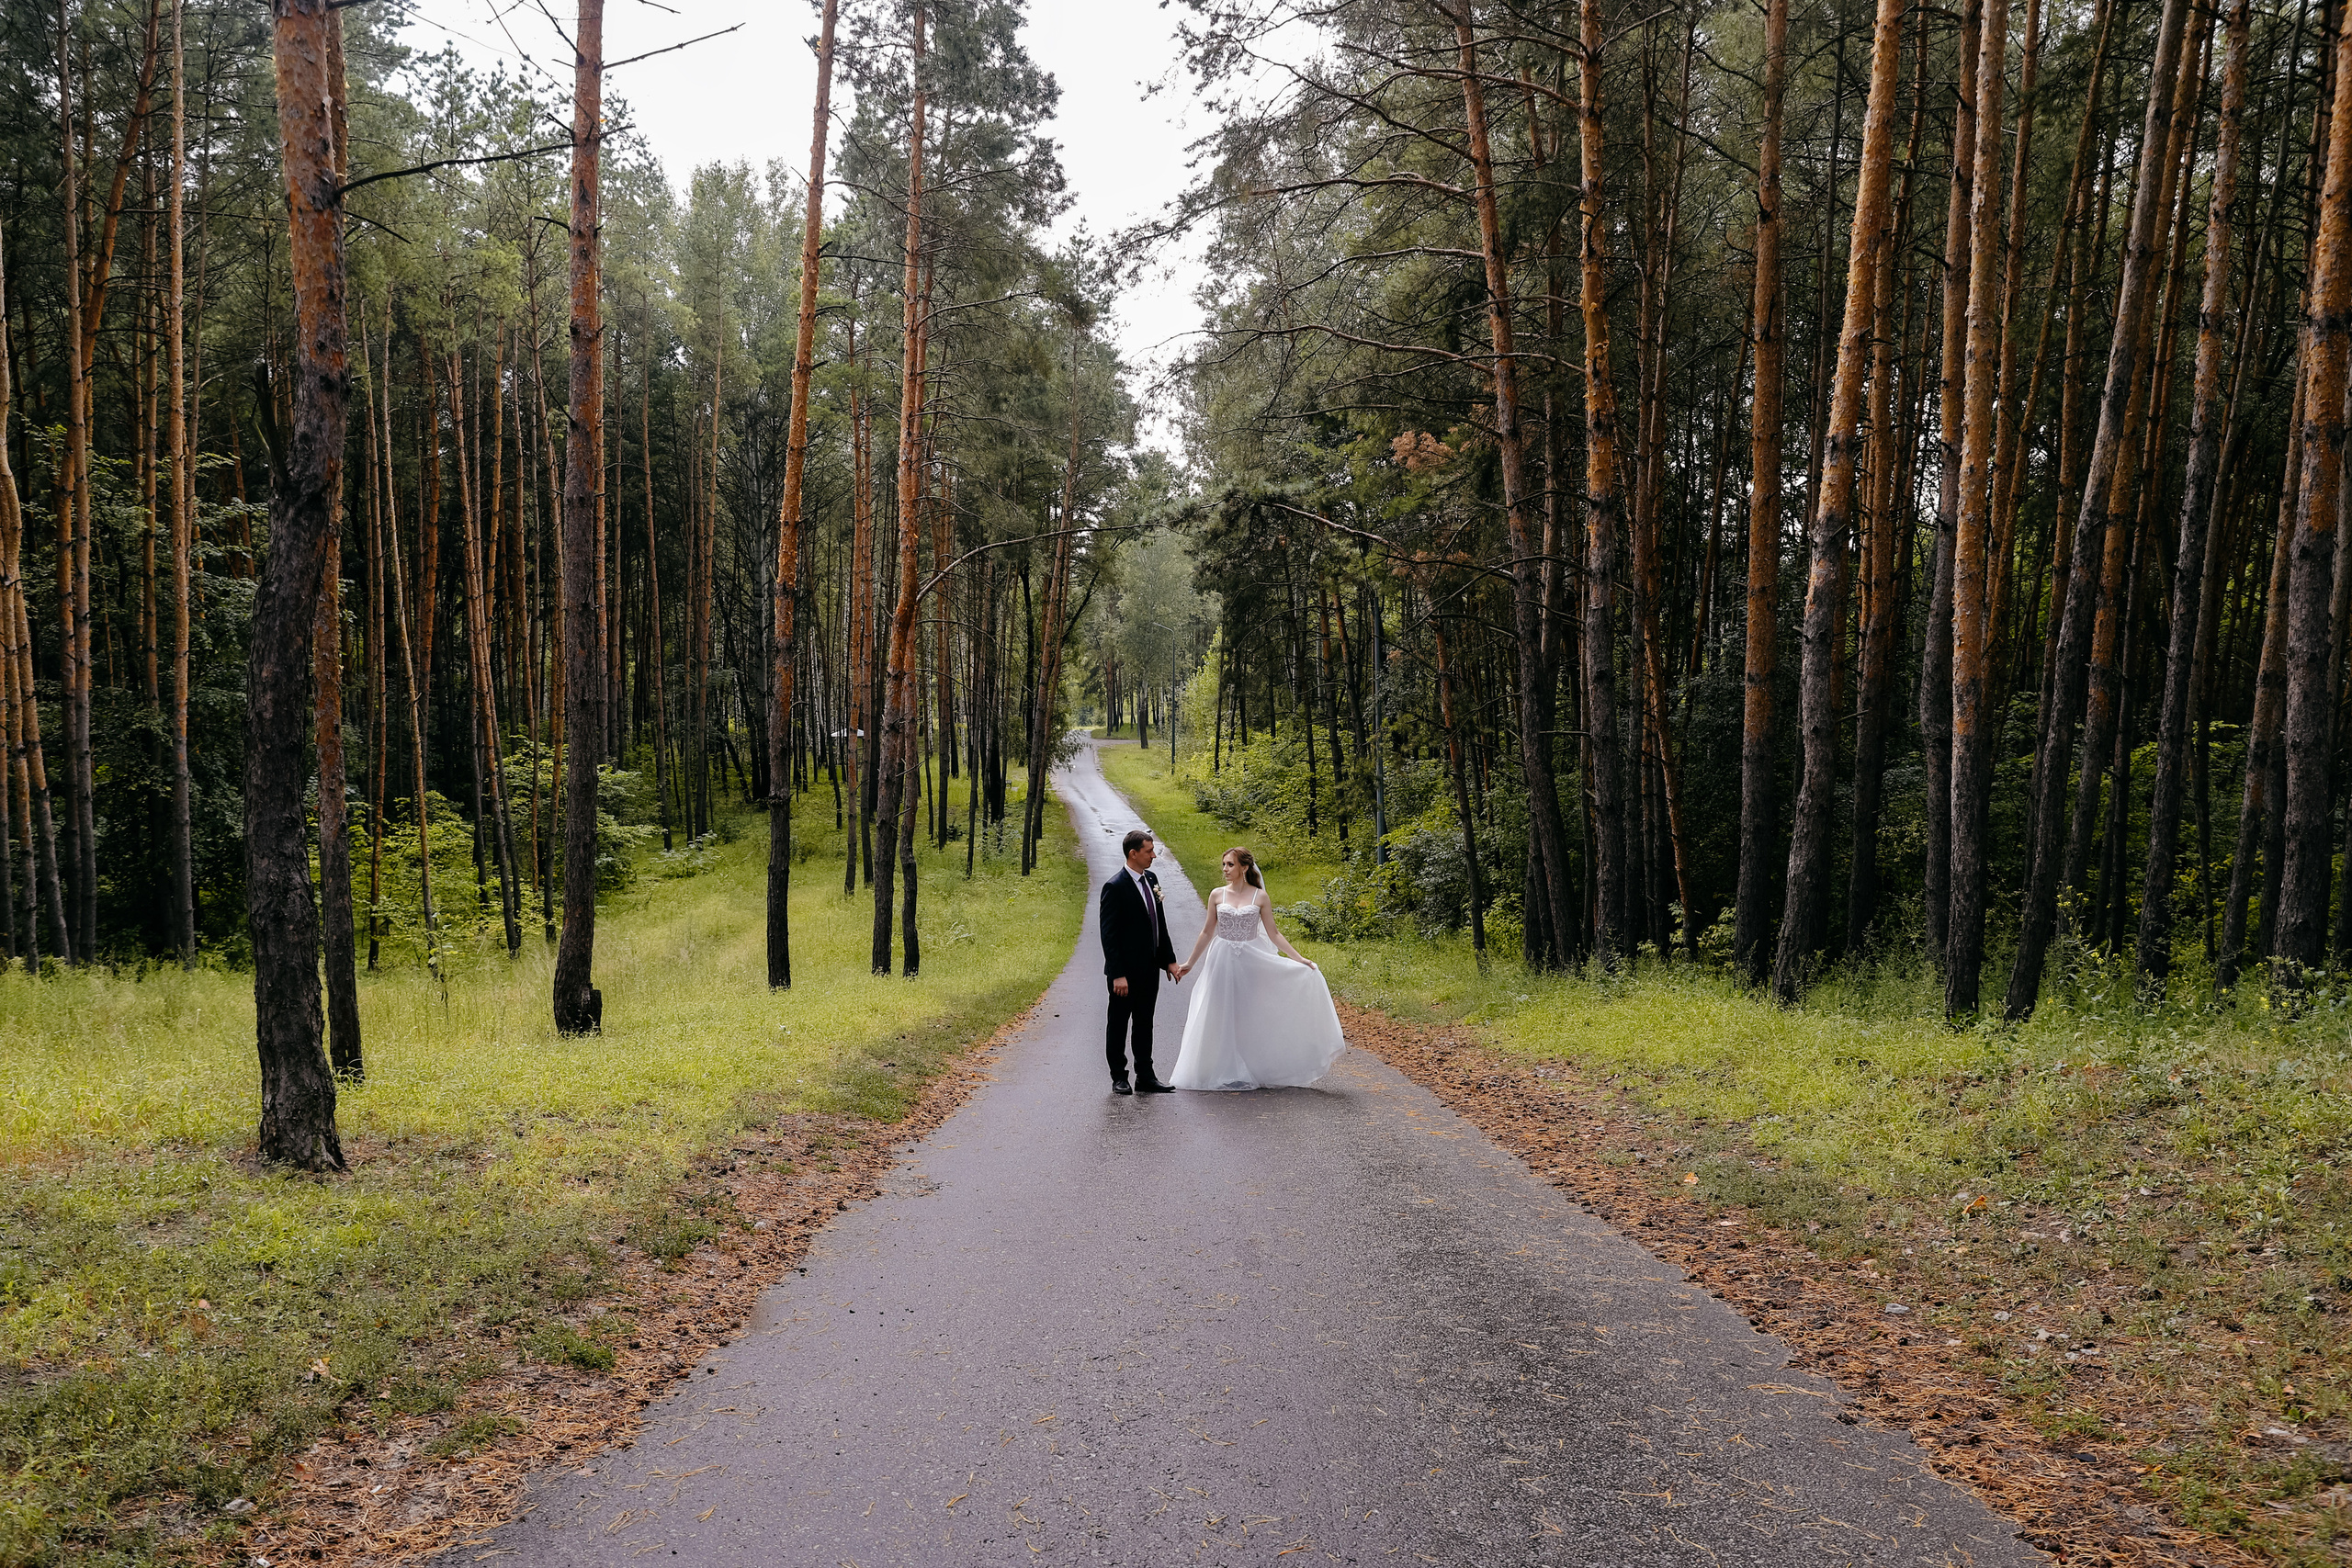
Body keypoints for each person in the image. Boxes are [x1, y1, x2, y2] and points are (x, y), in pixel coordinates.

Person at [1168, 847, 1347, 1090]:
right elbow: (1207, 931)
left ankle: (1250, 1067)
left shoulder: (1259, 897)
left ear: (1244, 867)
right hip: (1221, 959)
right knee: (1220, 1011)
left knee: (1248, 1014)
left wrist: (1298, 958)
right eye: (1224, 865)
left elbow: (1273, 933)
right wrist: (1190, 962)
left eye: (1230, 865)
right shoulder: (1216, 895)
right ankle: (1222, 1068)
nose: (1225, 870)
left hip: (1251, 961)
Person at [1100, 829, 1180, 1095]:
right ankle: (1119, 1076)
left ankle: (1145, 1075)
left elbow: (1159, 925)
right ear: (1133, 854)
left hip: (1149, 969)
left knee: (1145, 1022)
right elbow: (1108, 936)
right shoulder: (1115, 886)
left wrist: (1168, 961)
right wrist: (1117, 974)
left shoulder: (1152, 879)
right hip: (1125, 973)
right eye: (1149, 851)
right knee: (1119, 1023)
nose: (1154, 856)